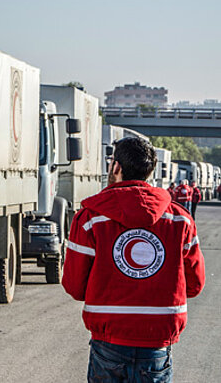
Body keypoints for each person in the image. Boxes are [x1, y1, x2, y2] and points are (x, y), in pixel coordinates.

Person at [62, 137, 205, 383]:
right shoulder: (181, 221)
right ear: (149, 171)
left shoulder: (89, 219)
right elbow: (195, 285)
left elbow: (75, 286)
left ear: (116, 167)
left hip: (108, 340)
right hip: (157, 344)